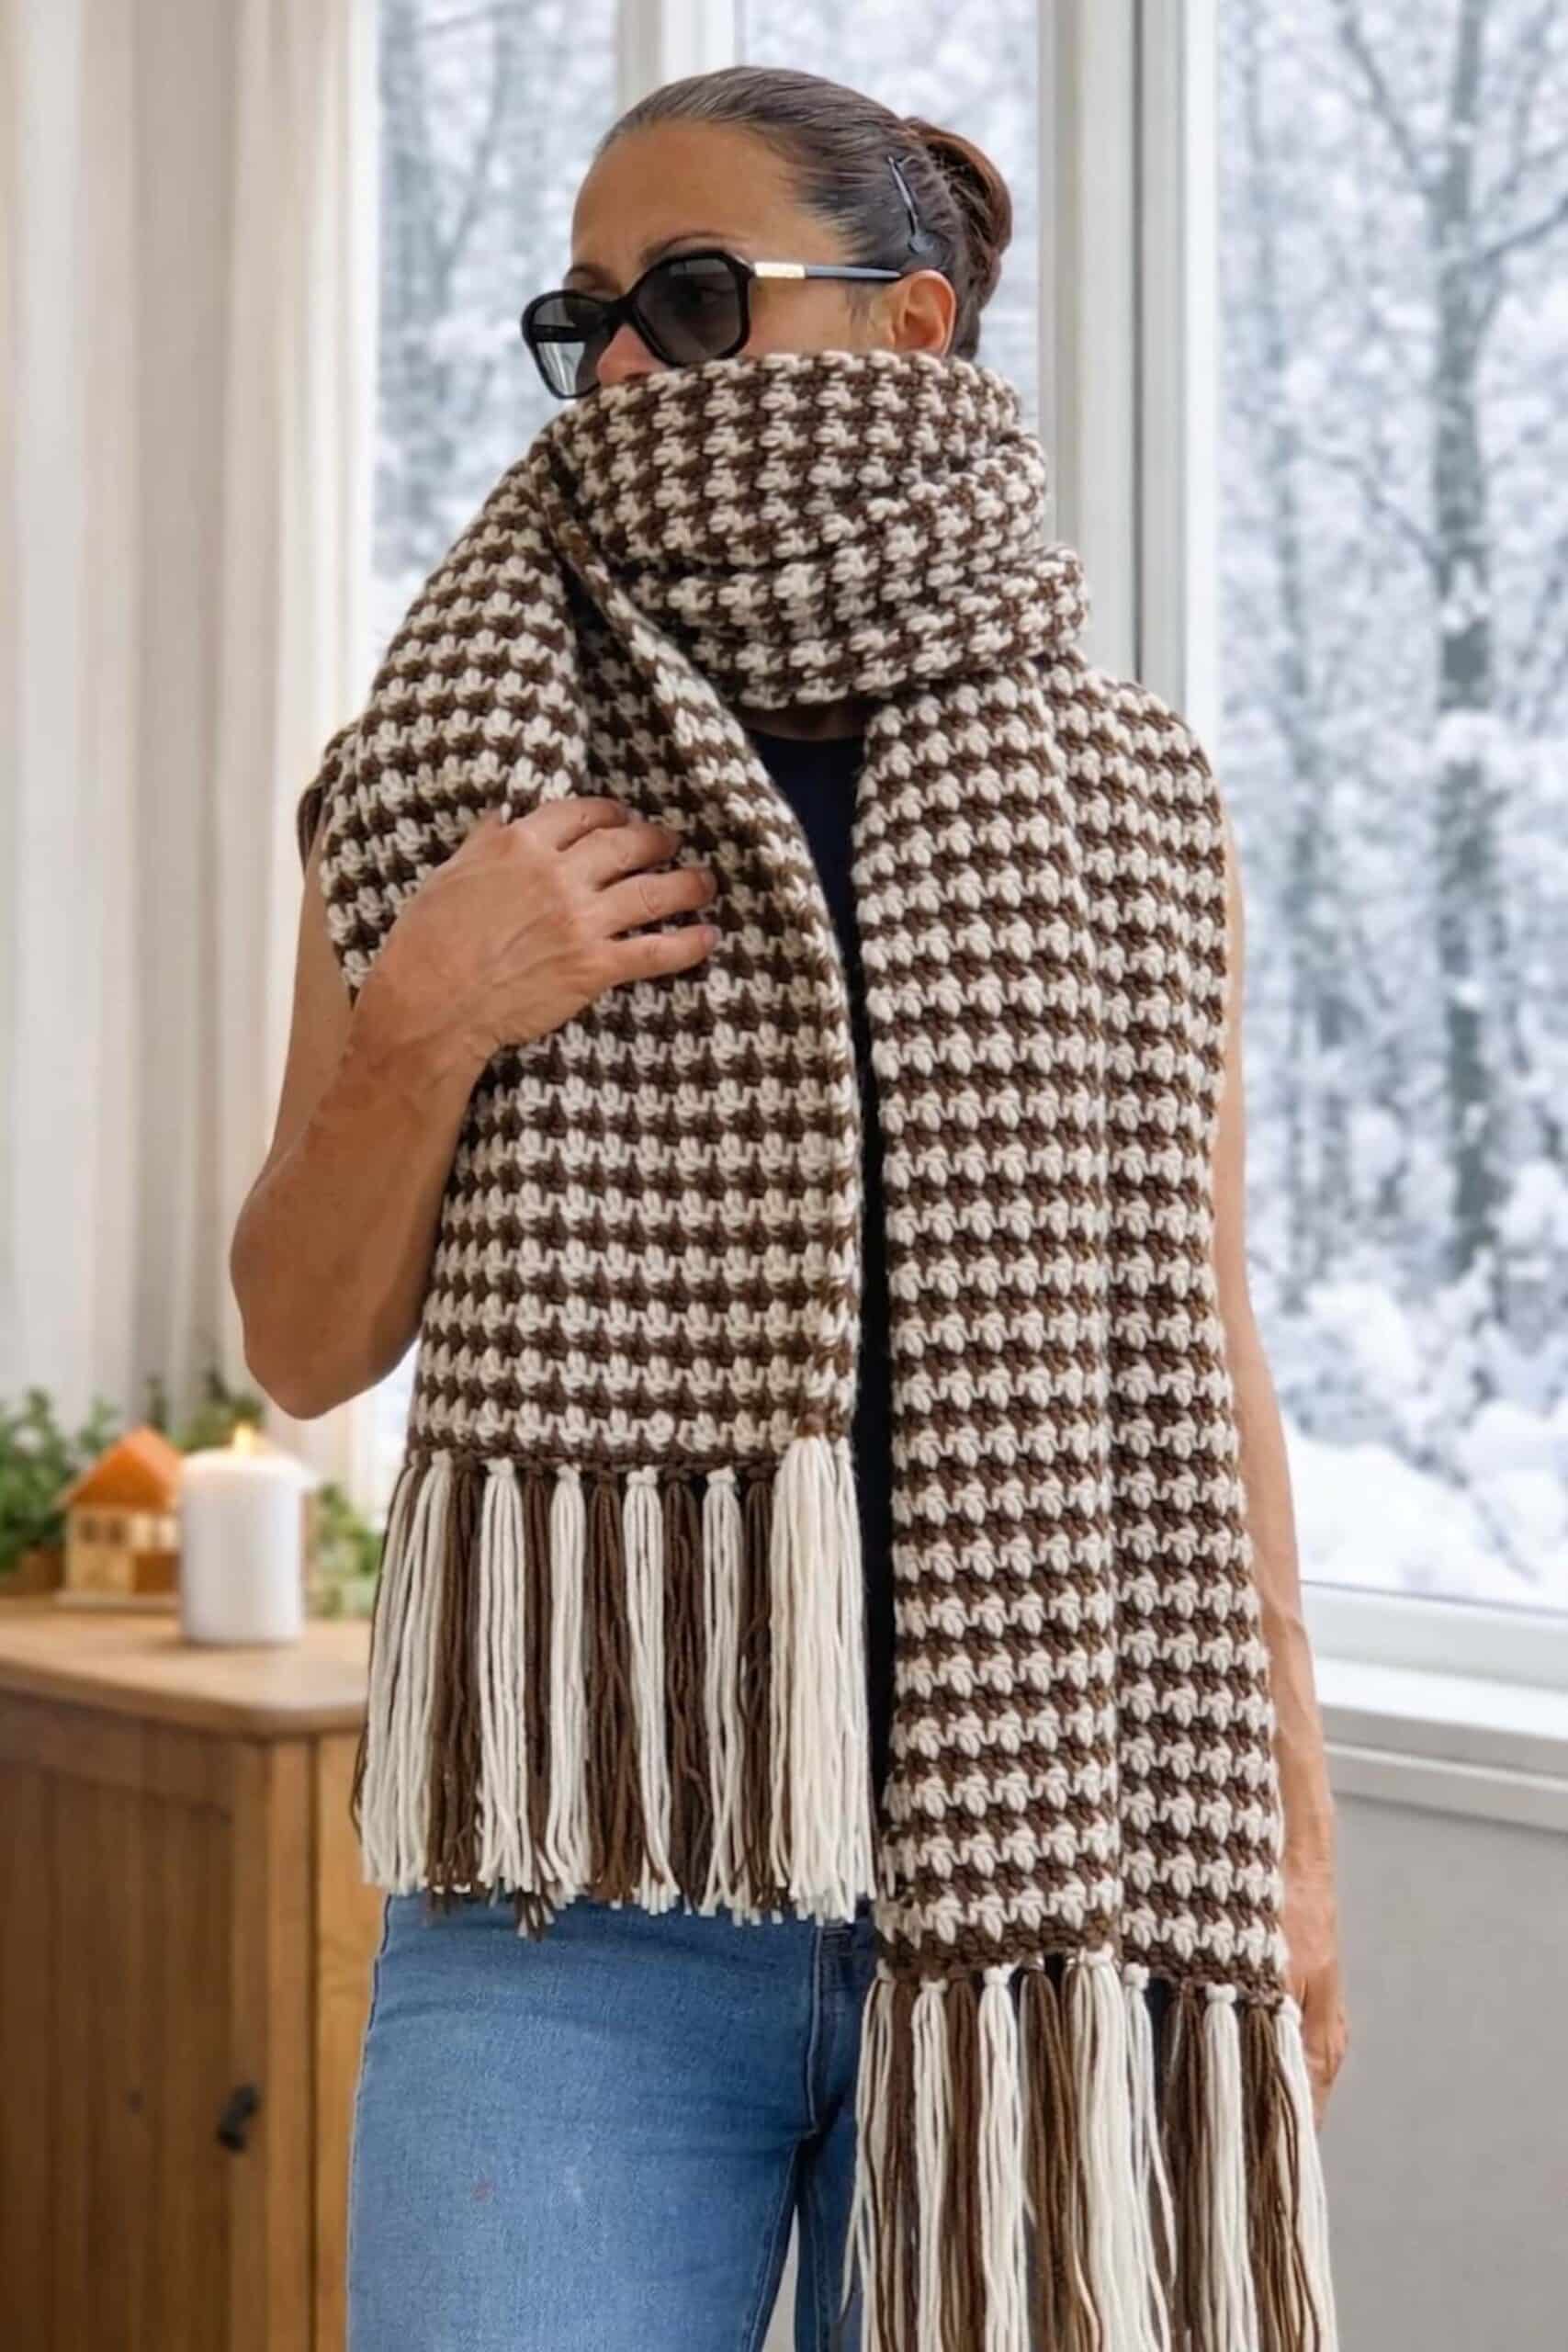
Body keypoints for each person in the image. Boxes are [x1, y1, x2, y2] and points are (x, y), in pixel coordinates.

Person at [233, 61, 1347, 2352]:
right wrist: (428, 1011)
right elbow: (295, 1337)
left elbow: (1198, 1345)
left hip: (1042, 1872)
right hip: (579, 1896)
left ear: (911, 328)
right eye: (588, 317)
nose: (624, 363)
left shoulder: (1127, 799)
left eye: (694, 297)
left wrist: (1296, 1835)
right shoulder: (446, 760)